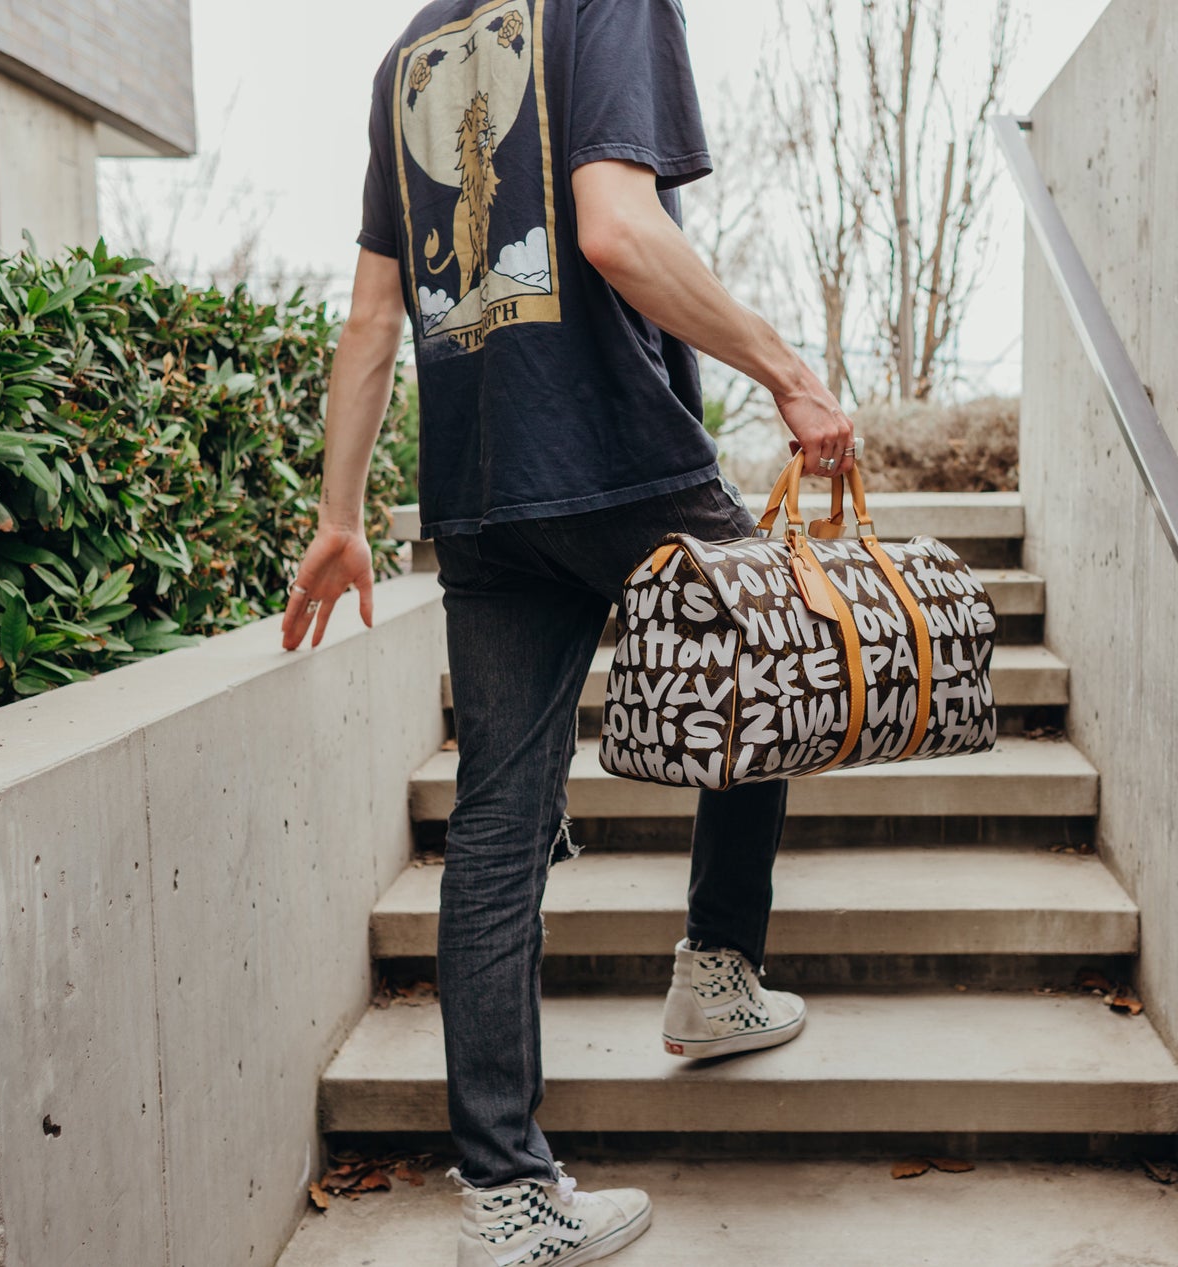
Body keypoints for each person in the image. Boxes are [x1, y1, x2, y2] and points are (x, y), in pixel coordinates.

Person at [281, 0, 856, 1261]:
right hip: (615, 453)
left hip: (480, 491)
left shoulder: (410, 51)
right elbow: (615, 228)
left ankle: (507, 1196)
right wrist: (790, 373)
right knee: (778, 662)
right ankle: (717, 974)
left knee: (495, 830)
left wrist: (340, 515)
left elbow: (372, 316)